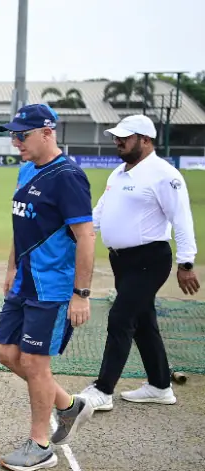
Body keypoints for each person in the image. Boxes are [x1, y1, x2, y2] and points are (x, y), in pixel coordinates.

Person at [0, 104, 96, 471]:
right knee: (5, 353)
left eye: (22, 135)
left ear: (47, 133)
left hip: (51, 288)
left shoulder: (68, 177)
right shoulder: (25, 169)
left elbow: (86, 237)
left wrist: (80, 294)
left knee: (36, 363)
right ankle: (69, 405)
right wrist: (10, 267)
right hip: (24, 280)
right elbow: (22, 226)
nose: (15, 141)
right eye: (13, 135)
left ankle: (40, 446)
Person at [76, 114, 200, 411]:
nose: (118, 141)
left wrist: (186, 263)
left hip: (150, 259)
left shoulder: (164, 175)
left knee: (120, 318)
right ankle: (159, 386)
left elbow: (181, 219)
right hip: (122, 261)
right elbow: (100, 213)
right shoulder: (118, 173)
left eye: (125, 137)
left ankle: (103, 390)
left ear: (145, 140)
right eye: (117, 136)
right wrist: (74, 232)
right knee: (144, 322)